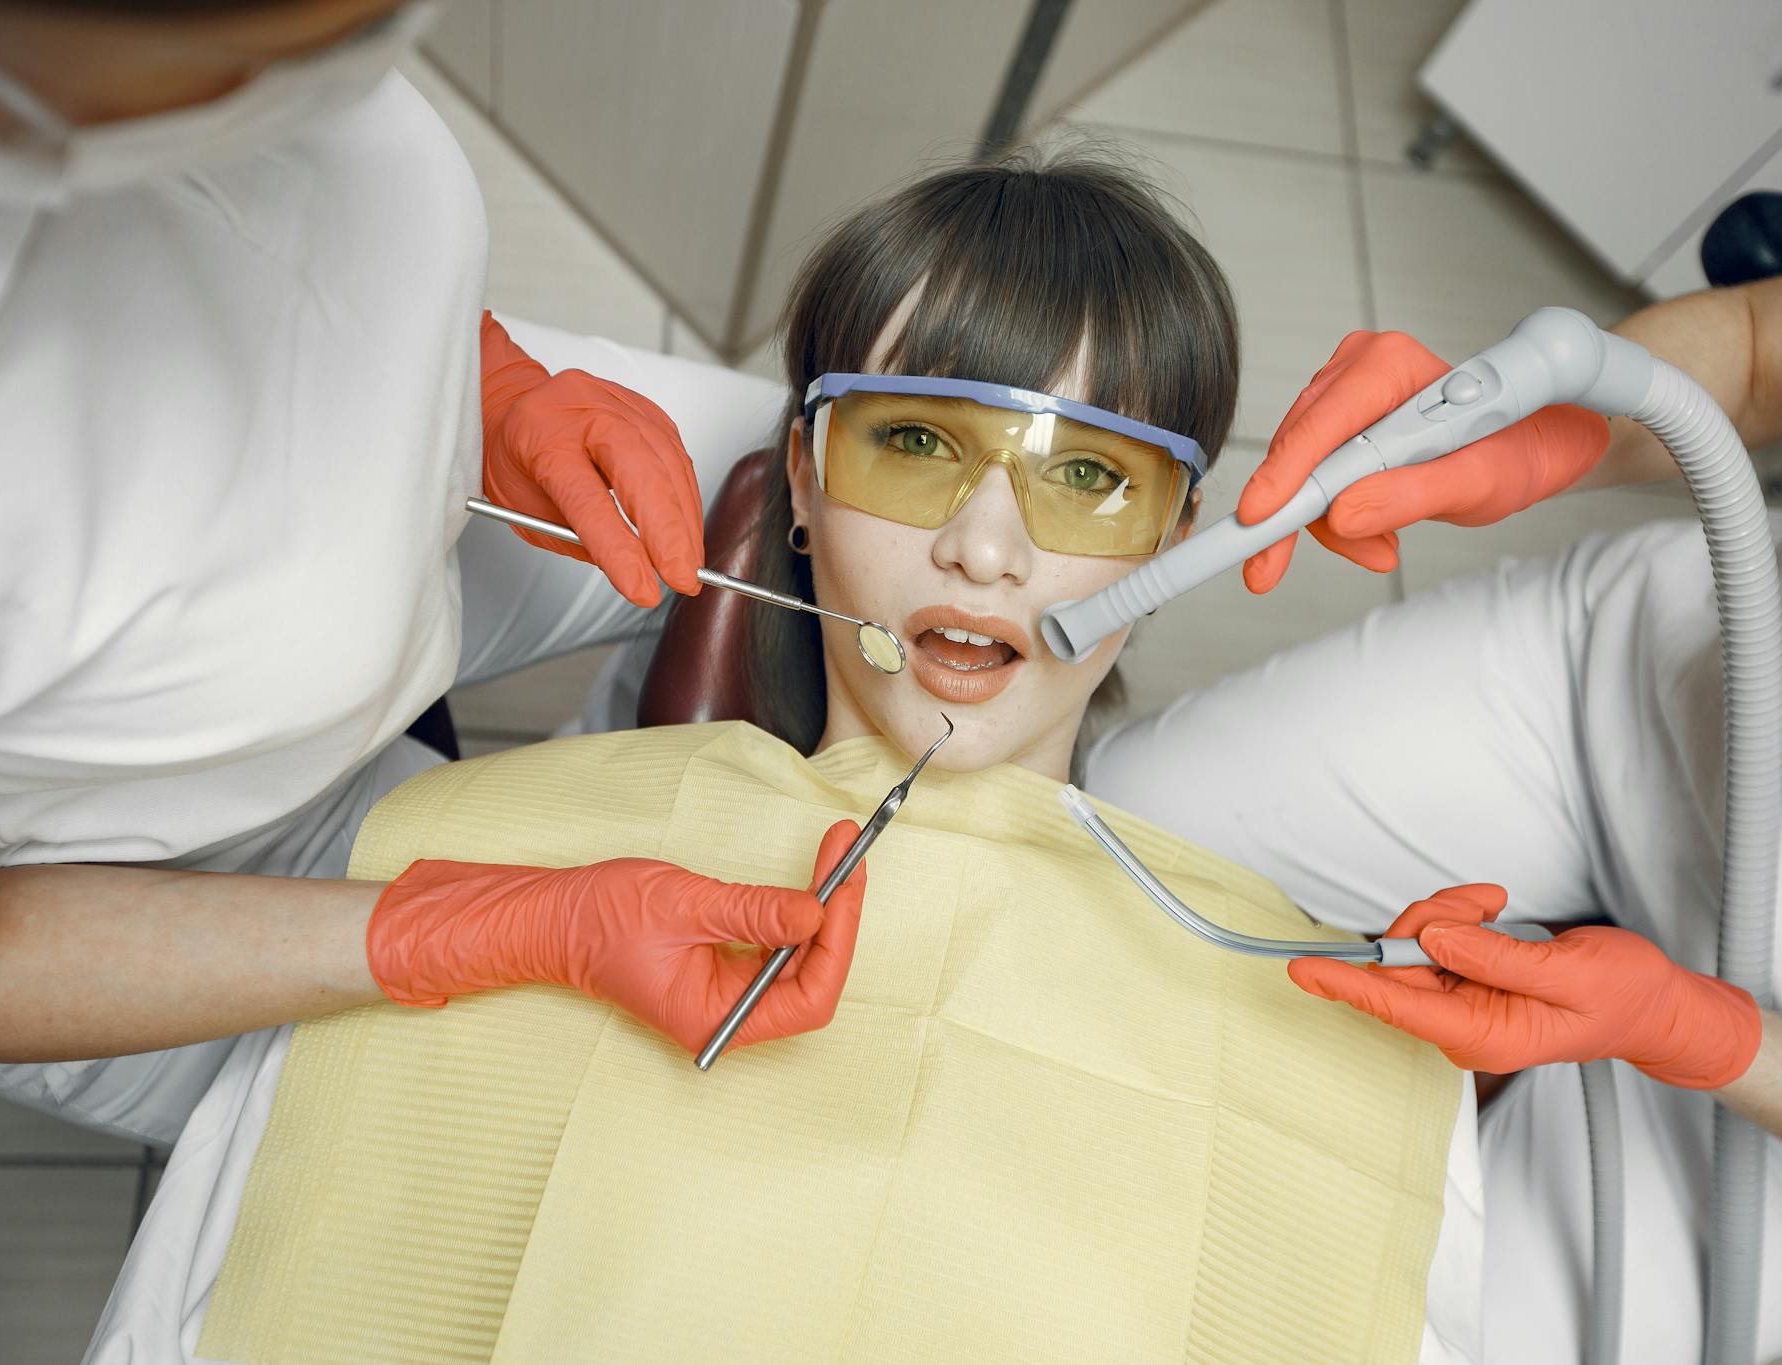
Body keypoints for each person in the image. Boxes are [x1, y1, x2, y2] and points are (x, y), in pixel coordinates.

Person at [86, 153, 1488, 1364]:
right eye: (918, 442)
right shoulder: (467, 862)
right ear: (801, 487)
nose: (985, 549)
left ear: (1178, 543)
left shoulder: (1337, 1054)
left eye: (1084, 473)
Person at [0, 0, 862, 1146]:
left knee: (801, 473)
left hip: (456, 507)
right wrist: (481, 928)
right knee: (514, 1102)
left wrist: (492, 385)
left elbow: (301, 221)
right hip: (171, 865)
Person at [1089, 209, 1782, 1359]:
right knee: (1101, 856)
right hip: (1631, 696)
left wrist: (1695, 1032)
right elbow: (1758, 346)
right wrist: (1547, 429)